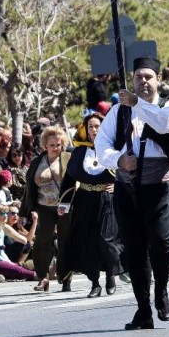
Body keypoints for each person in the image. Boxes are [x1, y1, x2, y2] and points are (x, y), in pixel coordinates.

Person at [95, 56, 169, 330]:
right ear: (132, 80)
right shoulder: (119, 111)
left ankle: (162, 291)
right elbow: (102, 143)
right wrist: (118, 160)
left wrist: (138, 105)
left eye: (148, 77)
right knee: (134, 250)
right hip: (128, 186)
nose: (143, 82)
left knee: (161, 242)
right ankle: (143, 308)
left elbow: (165, 125)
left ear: (158, 80)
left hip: (160, 187)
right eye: (138, 77)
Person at [61, 113, 124, 298]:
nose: (94, 130)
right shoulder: (79, 152)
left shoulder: (114, 149)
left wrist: (118, 186)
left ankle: (111, 275)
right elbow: (69, 178)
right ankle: (95, 283)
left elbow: (127, 171)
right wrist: (64, 203)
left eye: (97, 126)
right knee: (88, 242)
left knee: (105, 239)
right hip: (85, 199)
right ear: (85, 130)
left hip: (107, 198)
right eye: (91, 127)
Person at [21, 126, 72, 293]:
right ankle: (43, 277)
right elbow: (29, 188)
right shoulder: (37, 162)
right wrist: (25, 211)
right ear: (45, 144)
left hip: (65, 207)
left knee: (65, 242)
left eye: (58, 144)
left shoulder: (68, 159)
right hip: (43, 207)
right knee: (42, 242)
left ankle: (65, 278)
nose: (55, 147)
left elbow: (75, 183)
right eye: (51, 144)